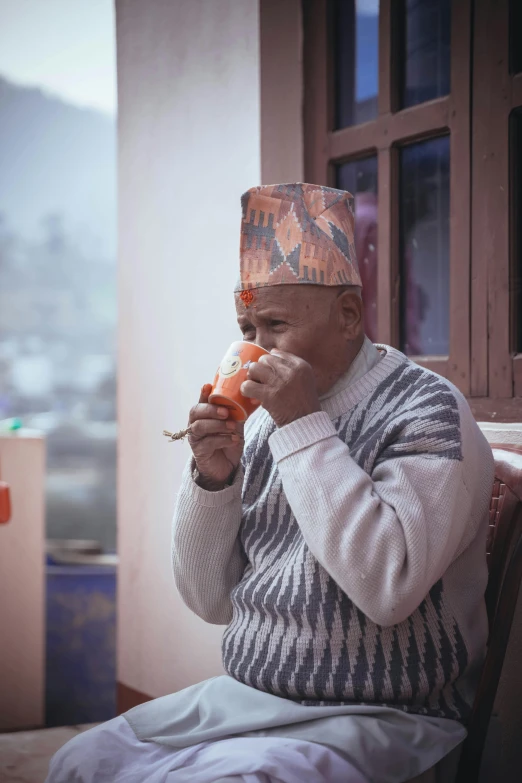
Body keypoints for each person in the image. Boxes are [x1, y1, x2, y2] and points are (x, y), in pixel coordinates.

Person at [46, 183, 494, 783]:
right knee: (80, 761)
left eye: (276, 325)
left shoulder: (426, 409)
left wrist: (303, 425)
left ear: (348, 316)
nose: (254, 352)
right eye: (247, 327)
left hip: (384, 713)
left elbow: (389, 587)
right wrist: (213, 480)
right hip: (249, 696)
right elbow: (209, 600)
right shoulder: (264, 422)